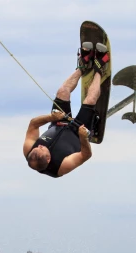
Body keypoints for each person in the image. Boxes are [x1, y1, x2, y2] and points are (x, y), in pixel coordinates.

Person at [23, 42, 110, 178]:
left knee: (62, 92)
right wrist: (83, 138)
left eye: (37, 147)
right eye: (42, 149)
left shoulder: (29, 151)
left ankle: (83, 66)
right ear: (48, 159)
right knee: (90, 100)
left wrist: (51, 118)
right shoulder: (61, 167)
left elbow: (33, 123)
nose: (39, 146)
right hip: (78, 133)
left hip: (58, 122)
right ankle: (99, 69)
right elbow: (86, 155)